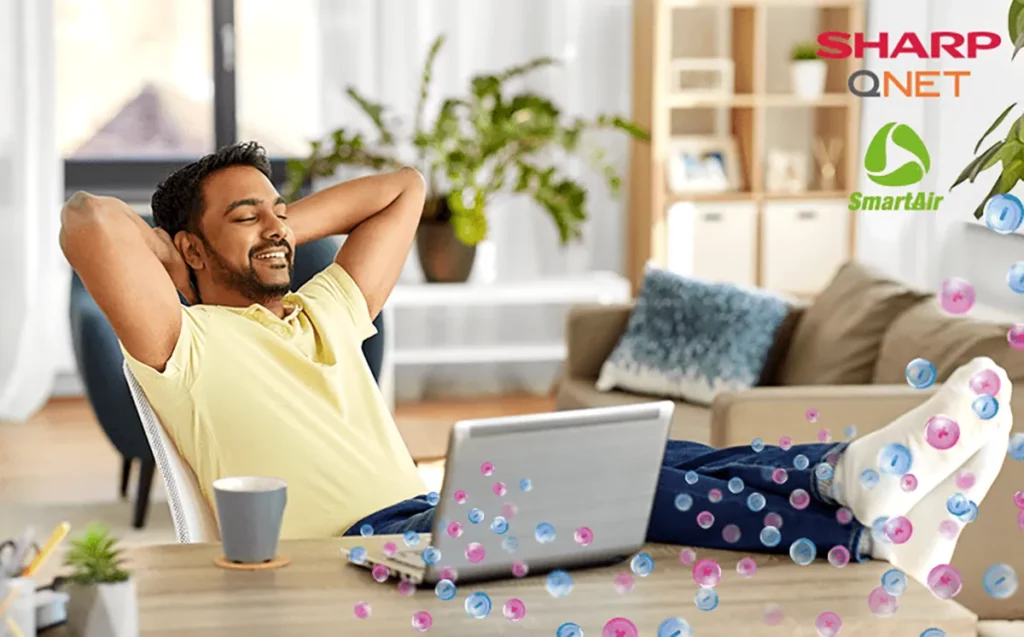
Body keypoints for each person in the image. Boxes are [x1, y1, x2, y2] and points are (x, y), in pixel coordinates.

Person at [60, 142, 1010, 589]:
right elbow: (87, 222)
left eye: (282, 207)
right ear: (182, 251)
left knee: (648, 459)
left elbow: (404, 188)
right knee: (620, 484)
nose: (277, 223)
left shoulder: (322, 309)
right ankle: (857, 501)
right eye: (246, 213)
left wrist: (268, 231)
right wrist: (201, 248)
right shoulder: (183, 343)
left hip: (423, 512)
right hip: (367, 545)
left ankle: (855, 502)